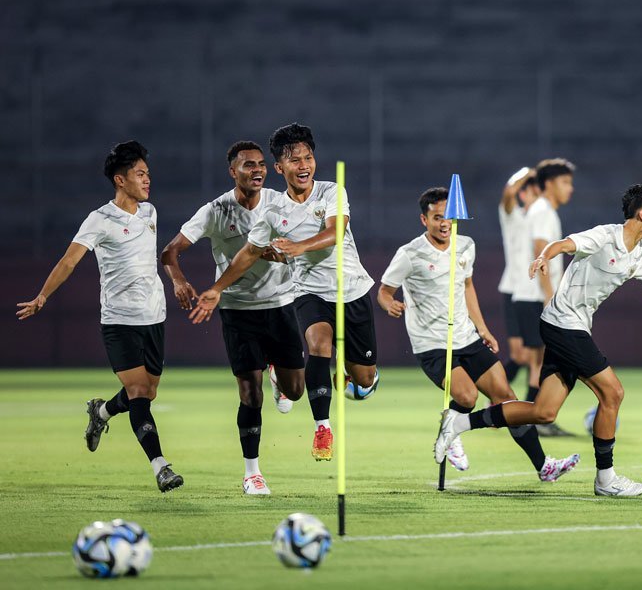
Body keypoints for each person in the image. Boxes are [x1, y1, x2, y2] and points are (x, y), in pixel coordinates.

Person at [435, 184, 642, 497]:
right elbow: (563, 244)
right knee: (613, 393)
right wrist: (543, 258)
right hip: (563, 325)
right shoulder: (606, 236)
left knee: (544, 412)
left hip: (571, 327)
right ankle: (606, 480)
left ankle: (458, 424)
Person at [190, 123, 379, 462]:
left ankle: (358, 374)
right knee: (318, 346)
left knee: (362, 382)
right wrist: (217, 288)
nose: (303, 165)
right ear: (280, 167)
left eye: (308, 158)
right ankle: (323, 427)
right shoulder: (272, 212)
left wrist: (296, 246)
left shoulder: (331, 192)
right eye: (294, 160)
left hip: (351, 289)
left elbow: (336, 233)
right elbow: (248, 252)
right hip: (308, 292)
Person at [379, 187, 579, 480]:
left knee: (507, 398)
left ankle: (544, 466)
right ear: (424, 220)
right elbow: (384, 291)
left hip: (467, 336)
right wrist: (390, 305)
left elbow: (467, 286)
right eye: (436, 217)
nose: (444, 223)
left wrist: (482, 328)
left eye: (448, 216)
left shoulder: (466, 245)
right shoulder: (410, 254)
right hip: (432, 343)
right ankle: (451, 433)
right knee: (467, 395)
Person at [16, 141, 183, 492]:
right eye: (140, 174)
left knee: (147, 393)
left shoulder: (150, 213)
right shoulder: (100, 219)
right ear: (120, 180)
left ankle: (101, 412)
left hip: (154, 317)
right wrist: (43, 296)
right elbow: (69, 261)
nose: (147, 180)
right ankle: (161, 467)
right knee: (138, 392)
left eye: (147, 174)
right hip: (119, 321)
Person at [161, 141, 305, 495]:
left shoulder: (279, 202)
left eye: (260, 165)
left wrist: (277, 253)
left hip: (281, 304)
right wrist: (180, 281)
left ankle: (276, 372)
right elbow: (170, 251)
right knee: (249, 395)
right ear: (233, 172)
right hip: (238, 310)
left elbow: (295, 249)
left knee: (296, 391)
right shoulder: (215, 211)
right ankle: (252, 474)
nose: (256, 170)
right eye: (247, 165)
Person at [510, 158, 576, 436]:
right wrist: (550, 297)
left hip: (533, 295)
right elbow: (541, 252)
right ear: (548, 184)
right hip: (536, 296)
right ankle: (530, 420)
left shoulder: (543, 210)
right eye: (565, 182)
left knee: (538, 361)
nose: (569, 189)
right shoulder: (543, 211)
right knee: (540, 361)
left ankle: (531, 420)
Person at [498, 168, 540, 385]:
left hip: (537, 292)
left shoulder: (544, 218)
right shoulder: (514, 216)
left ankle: (532, 414)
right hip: (514, 288)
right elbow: (508, 193)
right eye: (534, 191)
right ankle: (496, 397)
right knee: (520, 356)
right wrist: (527, 172)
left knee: (537, 358)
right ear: (523, 194)